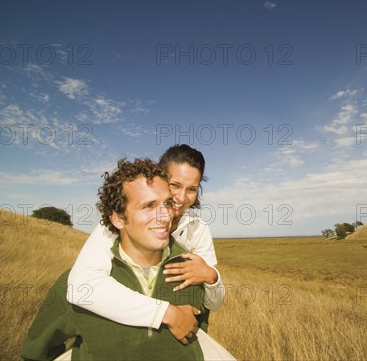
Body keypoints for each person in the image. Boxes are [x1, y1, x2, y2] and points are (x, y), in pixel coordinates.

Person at [21, 158, 207, 360]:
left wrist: (212, 277)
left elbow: (197, 342)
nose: (165, 216)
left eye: (167, 203)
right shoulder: (75, 283)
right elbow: (36, 351)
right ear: (117, 218)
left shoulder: (191, 276)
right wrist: (166, 313)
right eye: (149, 206)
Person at [66, 145, 225, 344]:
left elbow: (214, 303)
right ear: (158, 178)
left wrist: (211, 277)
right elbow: (81, 286)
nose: (182, 198)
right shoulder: (123, 219)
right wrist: (166, 313)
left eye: (192, 189)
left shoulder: (198, 229)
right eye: (174, 185)